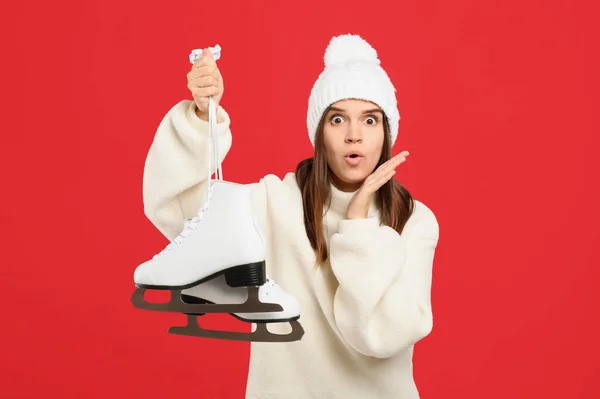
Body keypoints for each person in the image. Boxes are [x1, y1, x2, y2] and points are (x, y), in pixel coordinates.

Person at [141, 33, 440, 399]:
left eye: (370, 121)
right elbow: (178, 211)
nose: (354, 136)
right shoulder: (275, 203)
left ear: (386, 131)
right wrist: (202, 119)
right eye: (337, 120)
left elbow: (380, 337)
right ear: (319, 132)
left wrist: (358, 222)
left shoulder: (414, 221)